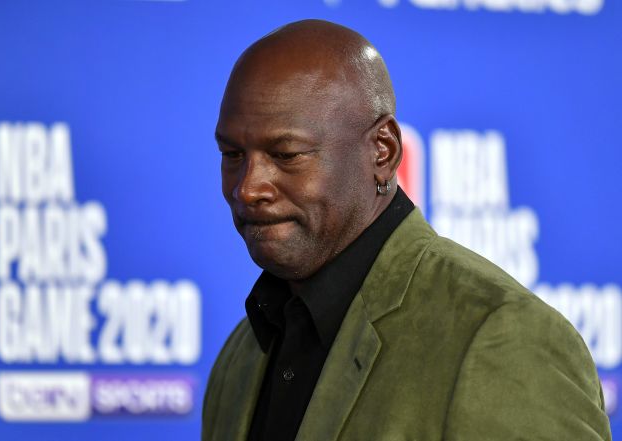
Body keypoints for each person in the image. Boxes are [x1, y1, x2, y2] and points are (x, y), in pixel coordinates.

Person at [202, 19, 611, 441]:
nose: (247, 188)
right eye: (232, 154)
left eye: (286, 154)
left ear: (383, 151)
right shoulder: (241, 355)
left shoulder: (505, 337)